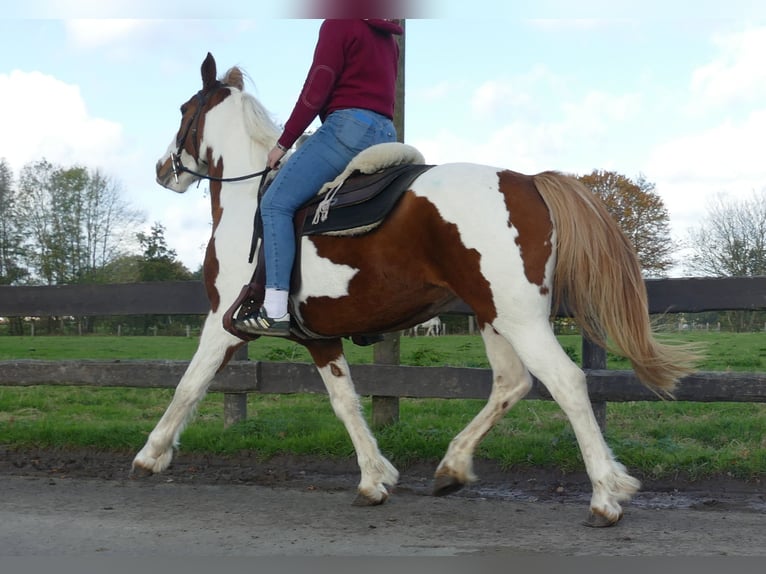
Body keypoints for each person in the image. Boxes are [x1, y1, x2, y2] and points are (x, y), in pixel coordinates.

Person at [235, 19, 403, 337]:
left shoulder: (339, 23)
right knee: (354, 213)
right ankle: (366, 315)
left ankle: (274, 310)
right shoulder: (388, 37)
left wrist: (283, 143)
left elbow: (316, 89)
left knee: (276, 203)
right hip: (386, 132)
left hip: (348, 128)